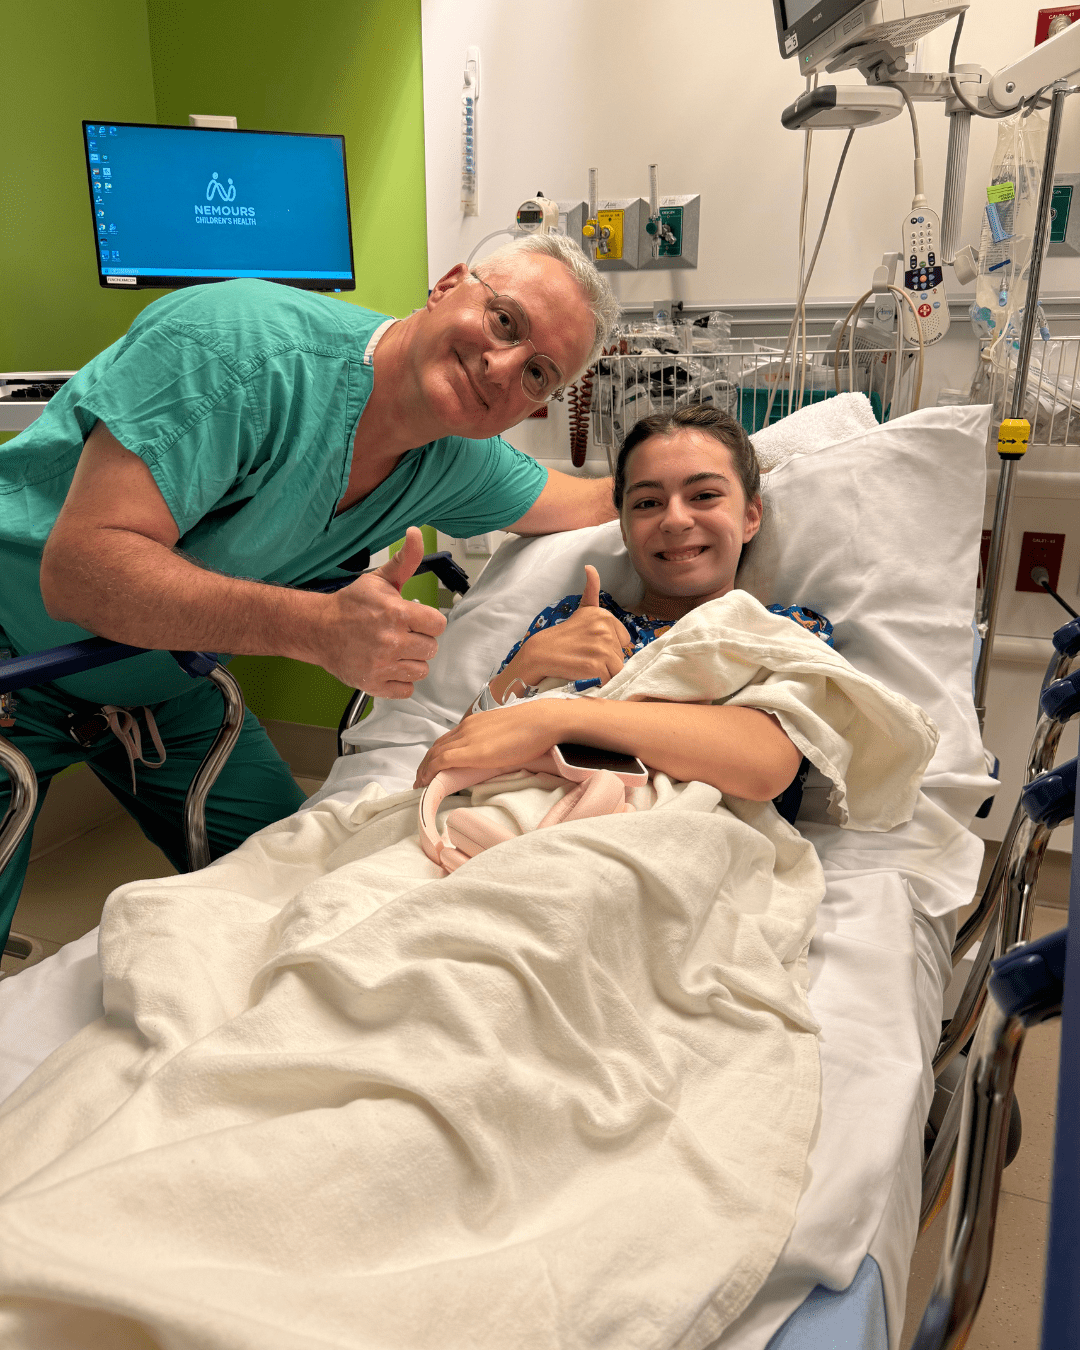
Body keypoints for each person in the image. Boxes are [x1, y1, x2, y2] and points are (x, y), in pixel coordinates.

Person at [0, 234, 618, 947]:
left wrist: (721, 478)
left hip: (163, 684)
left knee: (307, 894)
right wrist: (317, 628)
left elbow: (600, 501)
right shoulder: (233, 348)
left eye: (539, 374)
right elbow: (82, 571)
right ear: (449, 284)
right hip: (18, 653)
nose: (502, 367)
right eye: (504, 321)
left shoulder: (458, 460)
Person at [415, 406, 833, 804]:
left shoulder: (782, 633)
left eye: (704, 495)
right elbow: (463, 751)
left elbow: (765, 764)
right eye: (647, 503)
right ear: (625, 529)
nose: (675, 520)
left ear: (751, 516)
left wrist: (559, 718)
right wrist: (527, 664)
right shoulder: (571, 621)